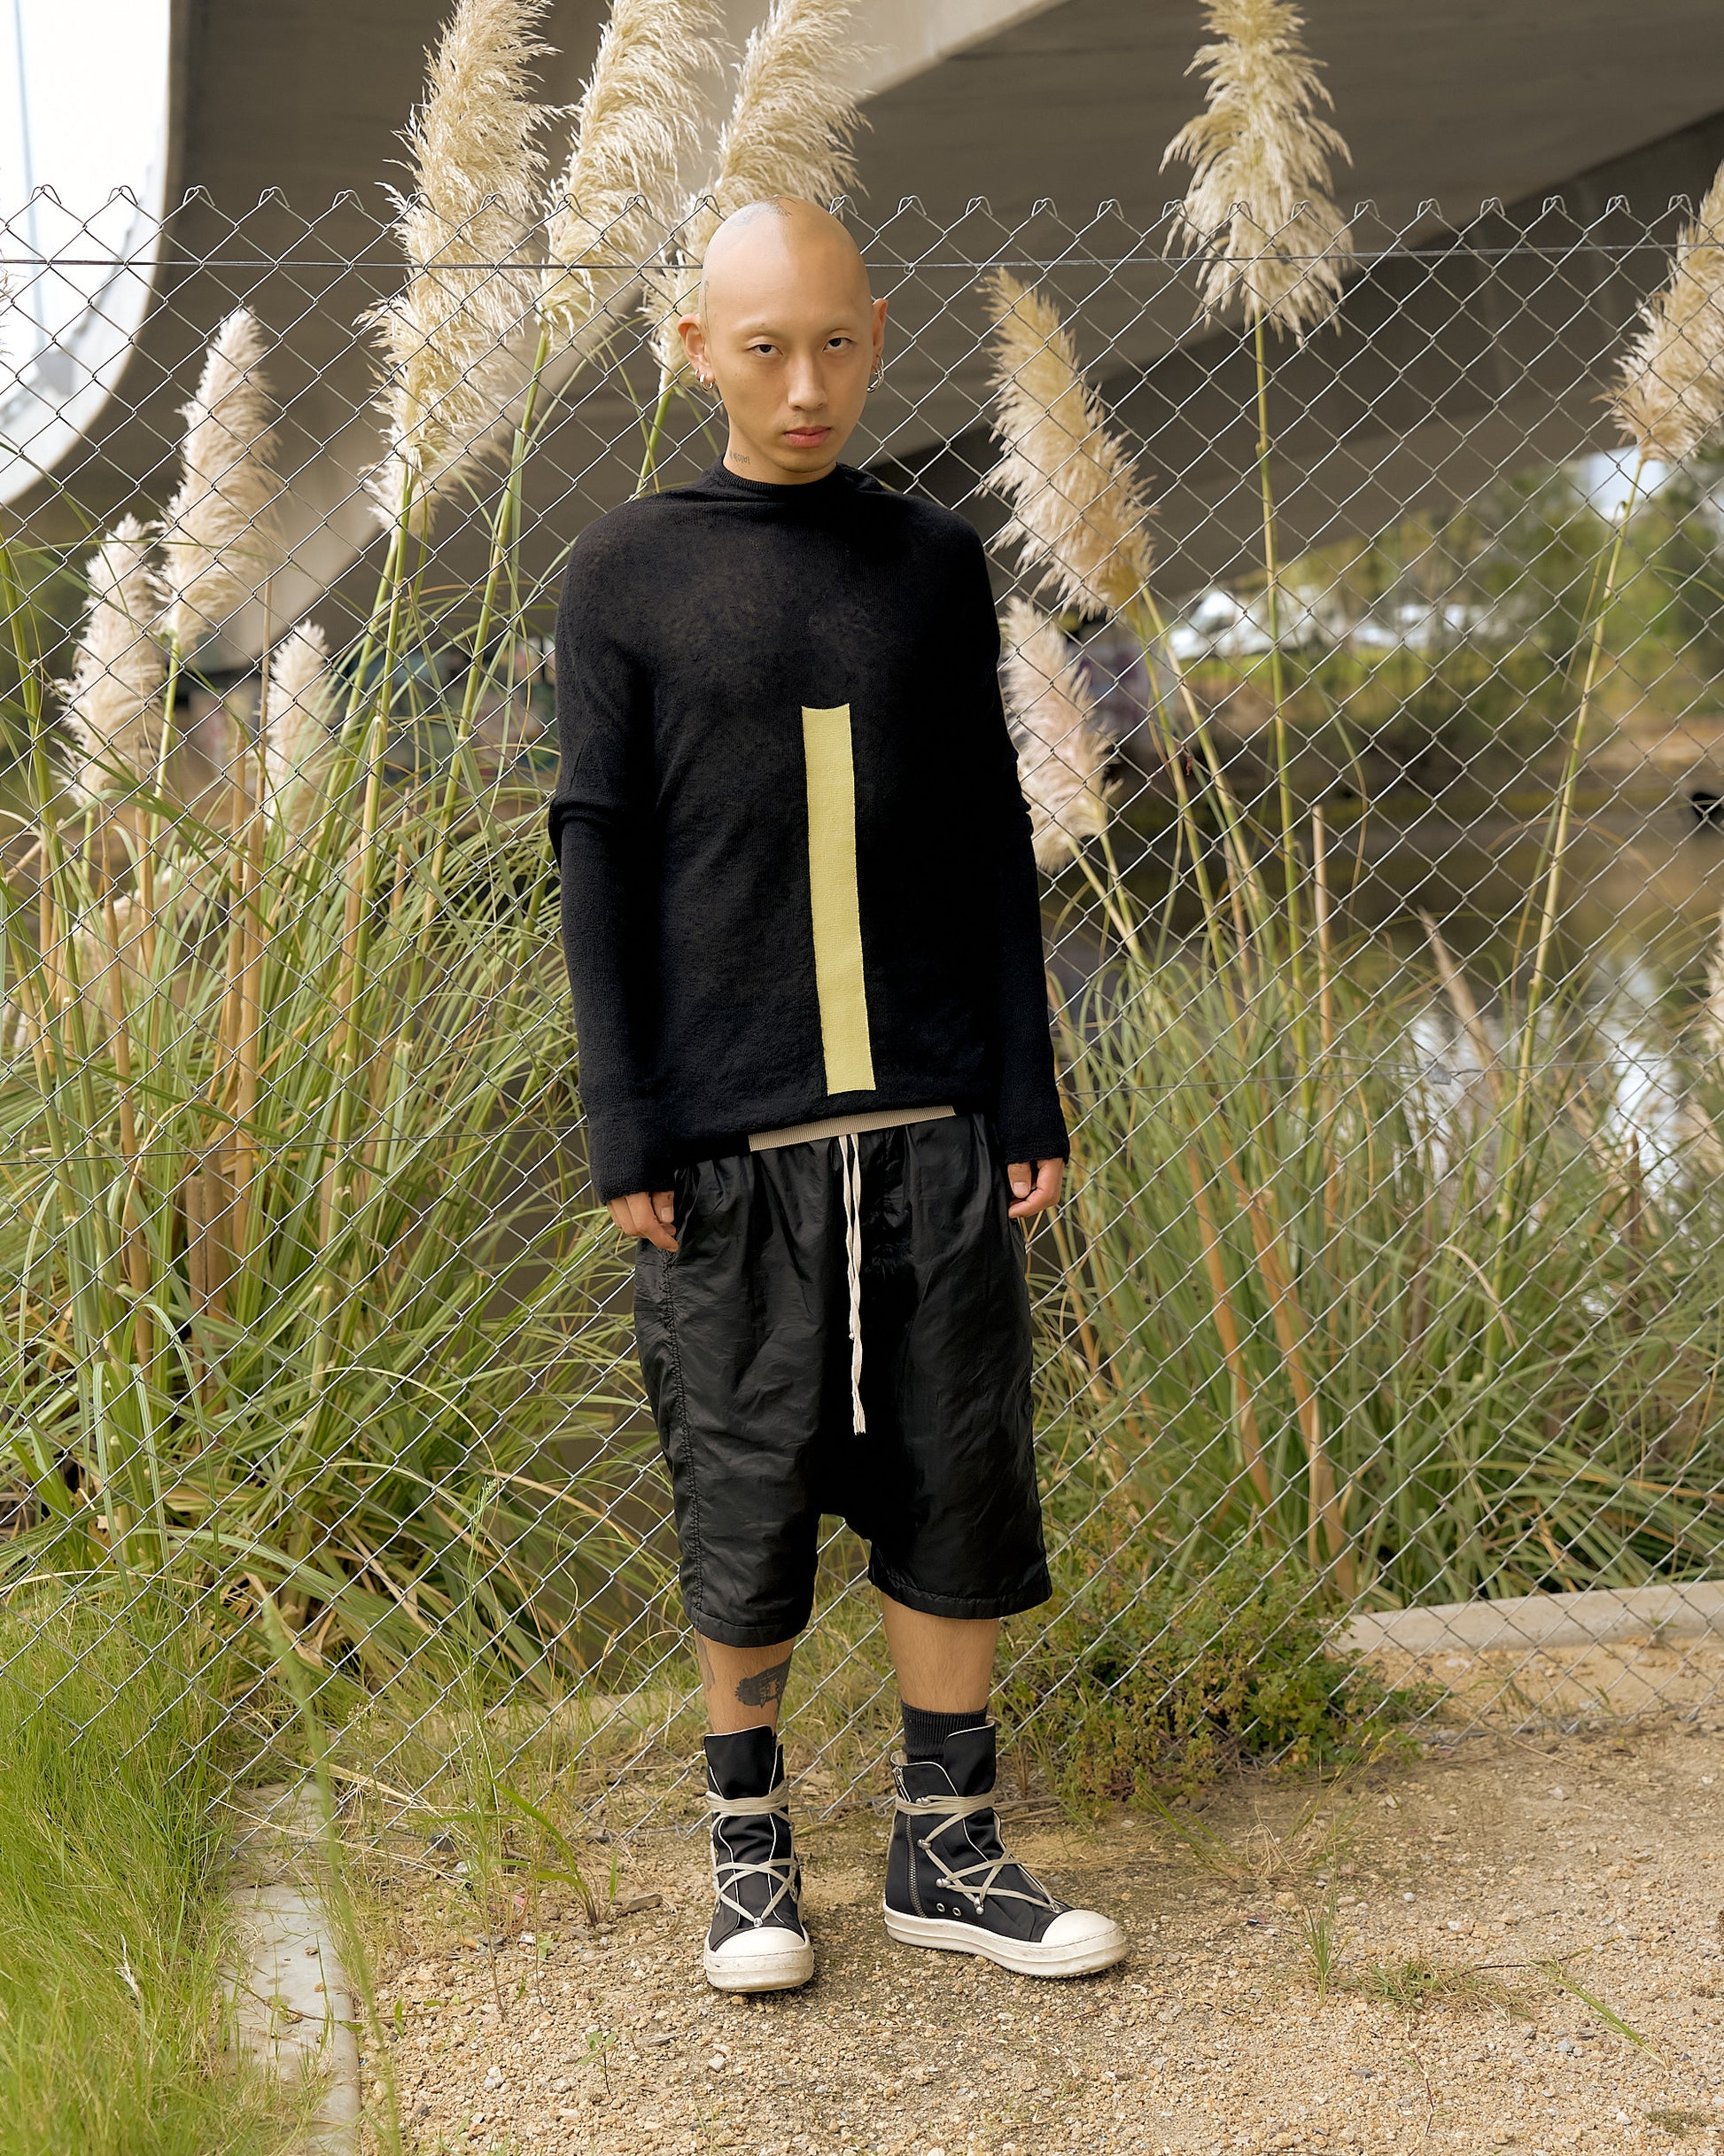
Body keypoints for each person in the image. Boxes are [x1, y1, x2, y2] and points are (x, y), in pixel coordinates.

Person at [548, 196, 1126, 1994]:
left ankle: (944, 1846)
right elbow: (596, 859)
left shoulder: (929, 559)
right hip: (730, 1145)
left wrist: (1022, 1093)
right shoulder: (624, 570)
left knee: (954, 1469)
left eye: (837, 343)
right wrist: (626, 1119)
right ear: (693, 350)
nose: (806, 384)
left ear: (875, 334)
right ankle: (748, 1850)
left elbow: (980, 843)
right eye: (764, 346)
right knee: (742, 1483)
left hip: (936, 1125)